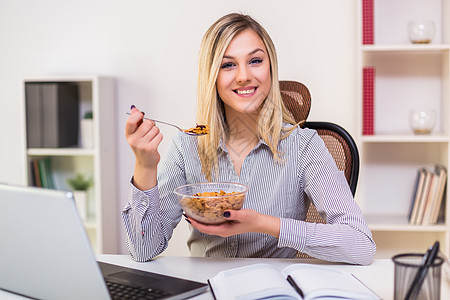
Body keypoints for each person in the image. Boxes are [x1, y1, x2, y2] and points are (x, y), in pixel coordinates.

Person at [123, 13, 376, 265]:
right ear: (212, 77)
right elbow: (144, 249)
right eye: (228, 64)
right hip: (207, 288)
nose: (243, 75)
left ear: (270, 68)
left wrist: (265, 224)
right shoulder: (186, 146)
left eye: (255, 60)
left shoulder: (303, 147)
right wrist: (145, 166)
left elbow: (361, 245)